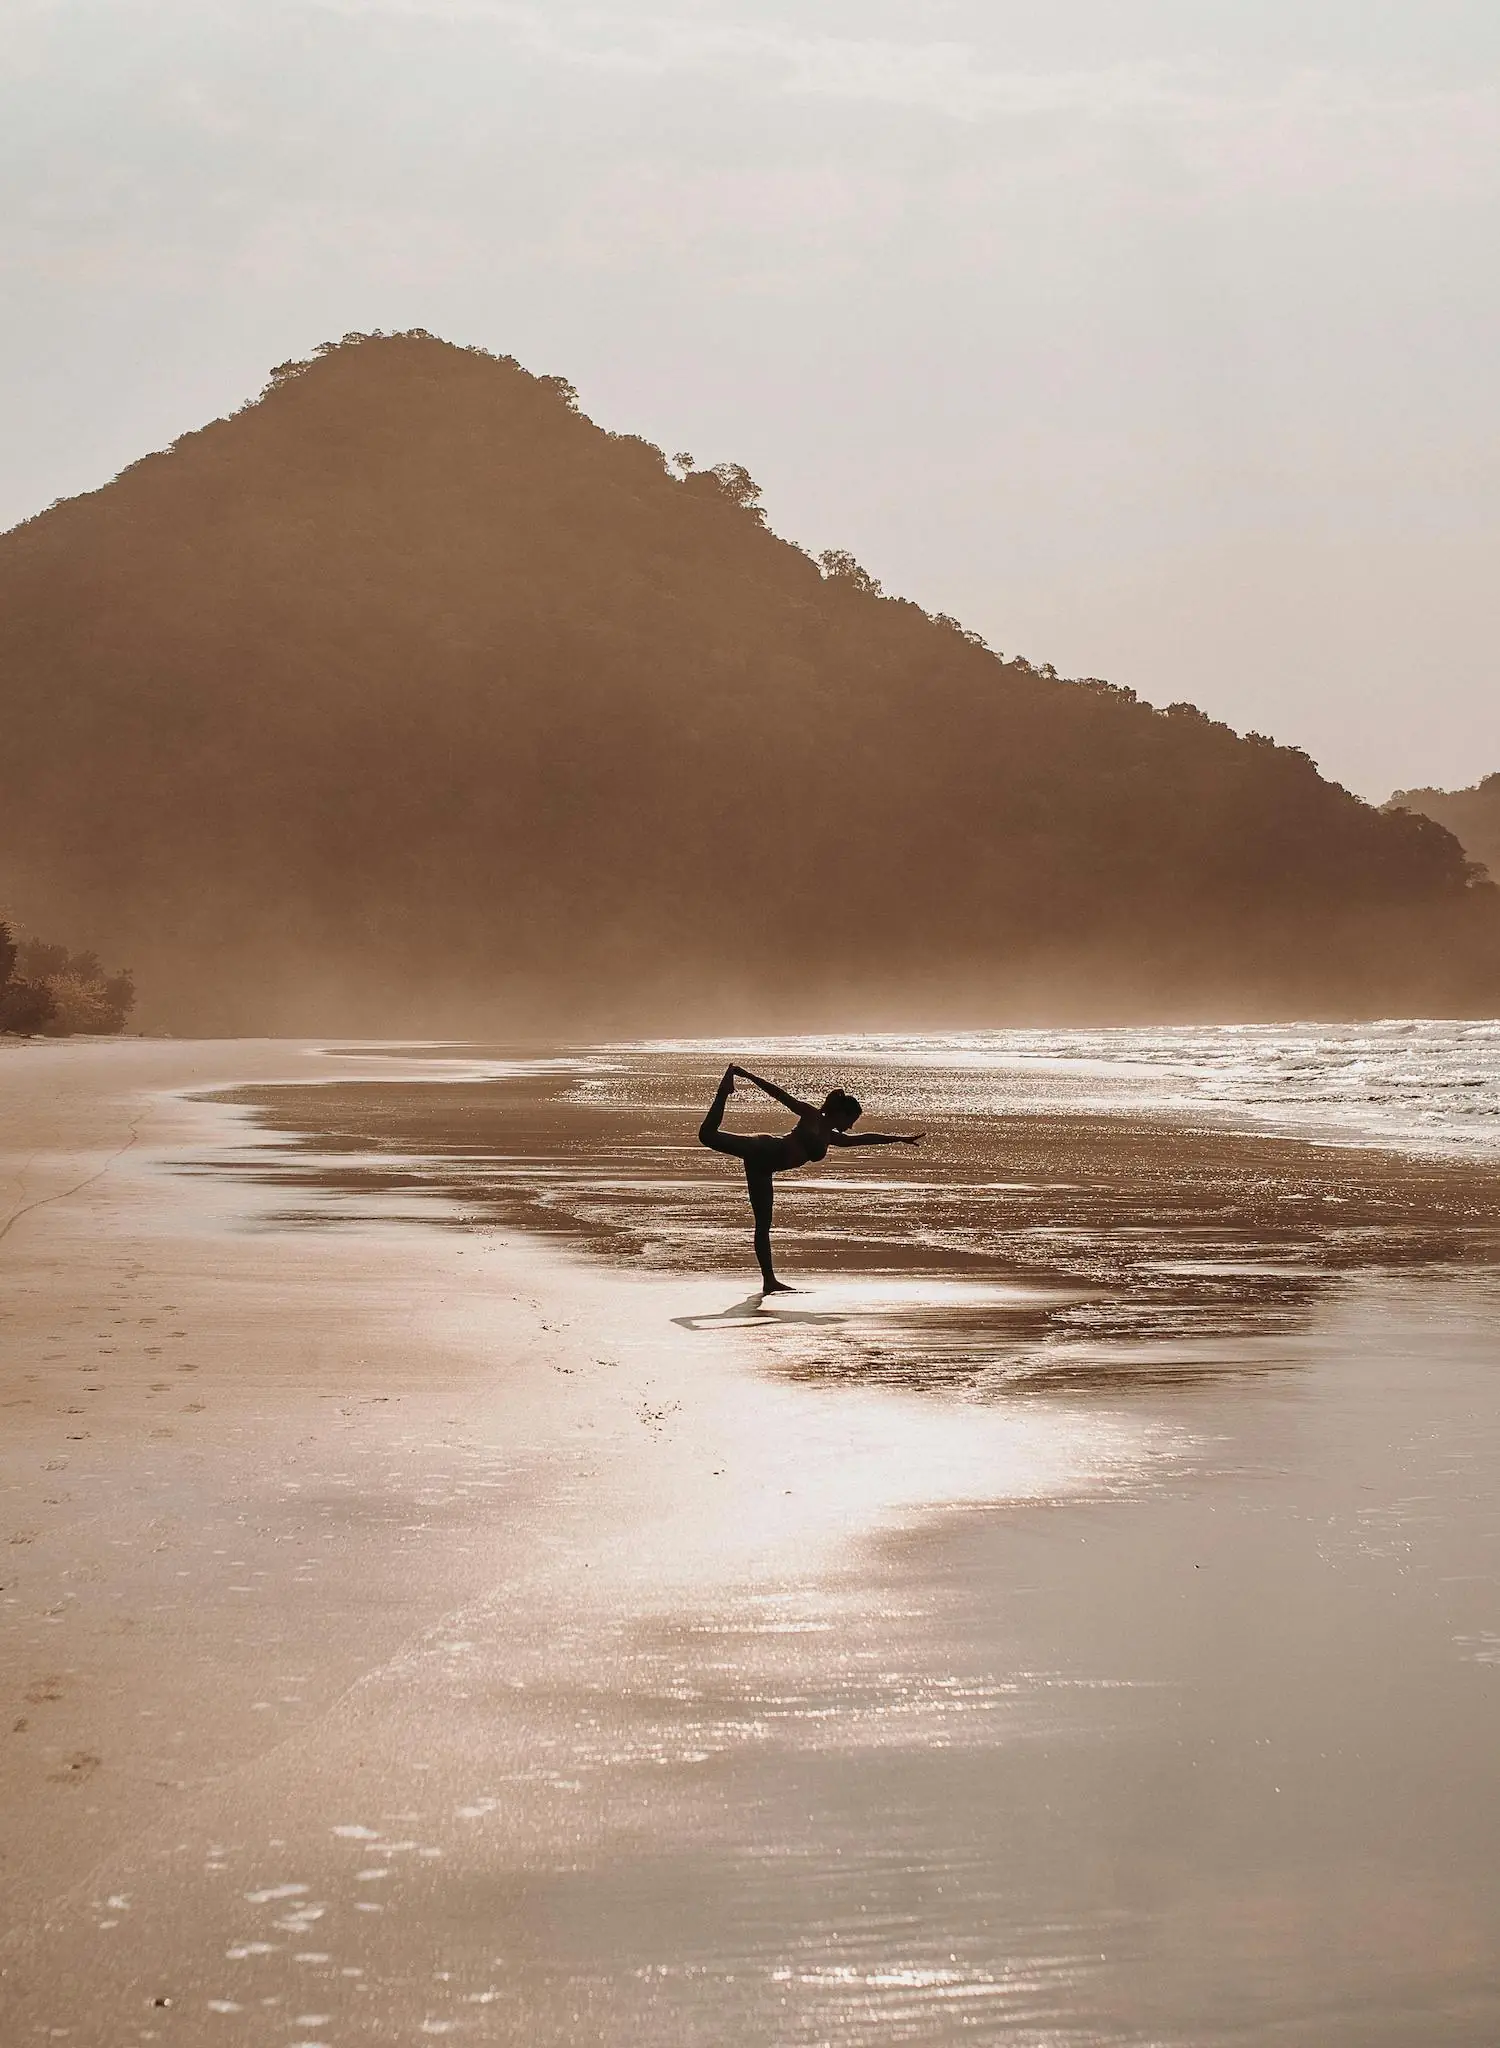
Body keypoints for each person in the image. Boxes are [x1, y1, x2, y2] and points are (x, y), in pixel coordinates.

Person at [697, 1063, 923, 1294]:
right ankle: (724, 1089)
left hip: (763, 1169)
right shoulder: (811, 1116)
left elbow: (863, 1139)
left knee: (763, 1225)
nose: (851, 1126)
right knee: (707, 1135)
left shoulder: (831, 1138)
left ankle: (769, 1280)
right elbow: (779, 1094)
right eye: (851, 1119)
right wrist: (747, 1075)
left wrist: (898, 1139)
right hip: (761, 1148)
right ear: (841, 1114)